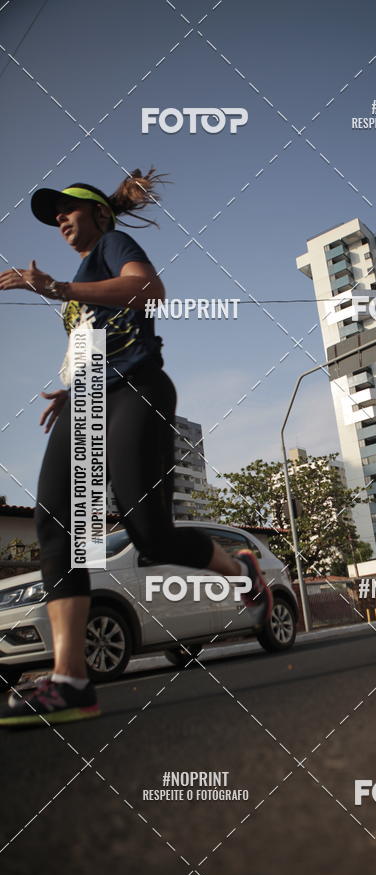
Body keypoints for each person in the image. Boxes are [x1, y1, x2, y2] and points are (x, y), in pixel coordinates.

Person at [0, 170, 272, 727]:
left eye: (67, 210)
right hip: (89, 398)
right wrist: (71, 389)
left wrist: (56, 288)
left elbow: (150, 290)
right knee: (58, 523)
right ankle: (72, 679)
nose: (60, 220)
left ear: (100, 213)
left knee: (149, 531)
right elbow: (94, 343)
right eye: (54, 218)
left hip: (137, 389)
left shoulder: (112, 246)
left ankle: (241, 570)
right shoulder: (82, 274)